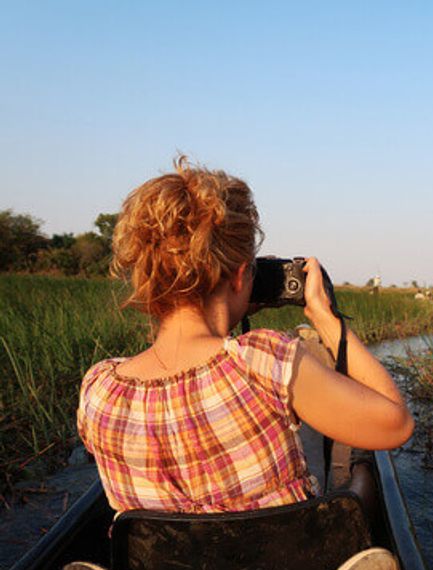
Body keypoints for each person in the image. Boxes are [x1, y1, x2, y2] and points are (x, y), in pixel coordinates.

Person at [77, 157, 414, 516]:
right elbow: (397, 426)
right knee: (360, 481)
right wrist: (326, 318)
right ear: (240, 276)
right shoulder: (263, 361)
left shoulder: (99, 390)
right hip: (285, 567)